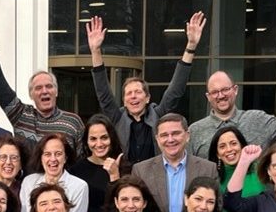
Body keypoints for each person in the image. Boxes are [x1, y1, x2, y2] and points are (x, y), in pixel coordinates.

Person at [86, 12, 205, 162]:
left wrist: (191, 46)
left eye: (137, 92)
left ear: (147, 98)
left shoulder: (159, 116)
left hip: (155, 177)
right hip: (126, 180)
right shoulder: (117, 118)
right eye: (129, 93)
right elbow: (103, 92)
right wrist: (95, 51)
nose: (133, 96)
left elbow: (176, 89)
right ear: (124, 100)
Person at [0, 17, 84, 144]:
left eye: (49, 86)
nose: (44, 91)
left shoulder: (73, 122)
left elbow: (82, 160)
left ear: (56, 91)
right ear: (31, 95)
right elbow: (0, 88)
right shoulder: (21, 116)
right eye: (38, 88)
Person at [188, 71, 276, 158]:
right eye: (215, 92)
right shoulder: (195, 131)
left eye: (225, 90)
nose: (220, 96)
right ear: (208, 97)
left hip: (255, 195)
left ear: (235, 90)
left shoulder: (257, 120)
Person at [133, 113, 218, 212]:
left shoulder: (208, 169)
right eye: (164, 135)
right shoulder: (141, 170)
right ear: (157, 139)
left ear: (187, 135)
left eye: (176, 133)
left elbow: (216, 209)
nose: (170, 139)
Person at [19, 134, 89, 212]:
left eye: (58, 154)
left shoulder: (79, 187)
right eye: (47, 154)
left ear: (65, 158)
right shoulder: (28, 182)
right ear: (41, 158)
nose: (53, 159)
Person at [69, 114, 129, 212]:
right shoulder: (76, 171)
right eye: (93, 139)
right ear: (86, 141)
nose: (99, 144)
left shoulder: (127, 168)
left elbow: (126, 207)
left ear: (112, 138)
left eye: (104, 137)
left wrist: (115, 176)